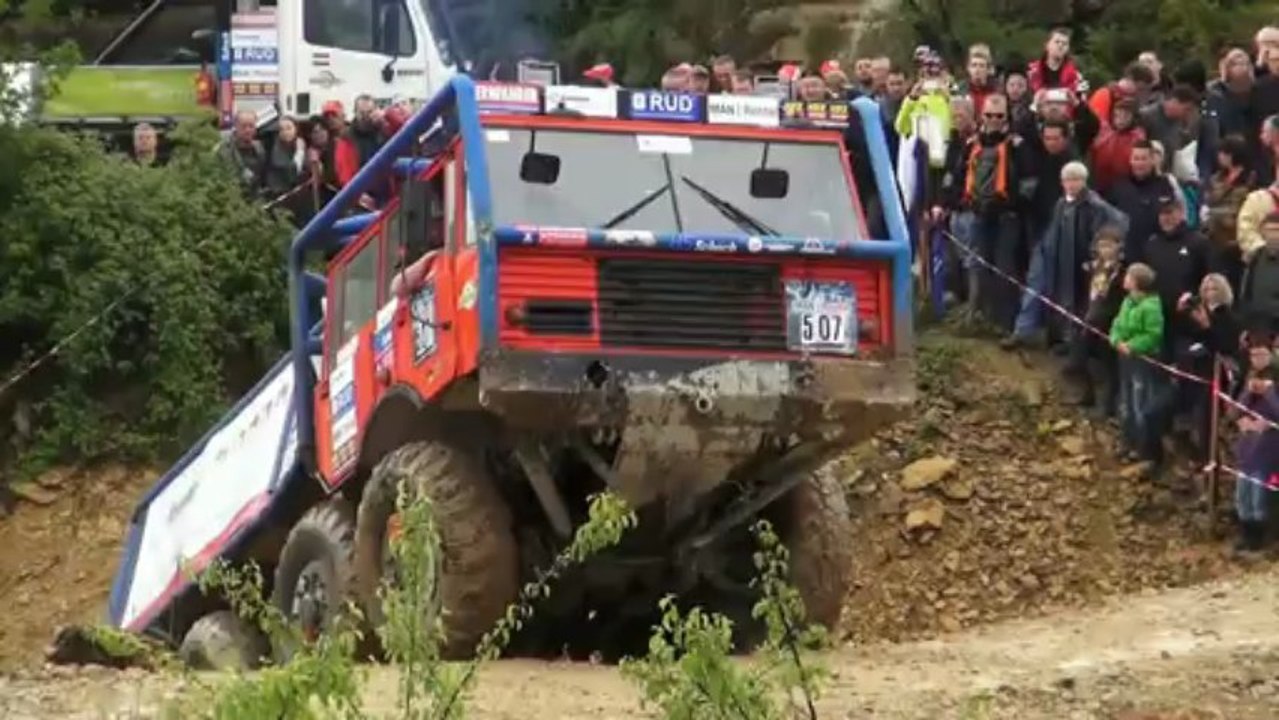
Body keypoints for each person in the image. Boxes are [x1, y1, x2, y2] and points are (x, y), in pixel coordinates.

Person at [1005, 161, 1127, 351]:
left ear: (1084, 181)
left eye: (1075, 180)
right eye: (1067, 180)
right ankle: (1054, 337)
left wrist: (1095, 255)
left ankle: (1073, 345)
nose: (1071, 184)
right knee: (1056, 297)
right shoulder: (1061, 203)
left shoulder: (1094, 204)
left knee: (1078, 302)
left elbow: (1114, 225)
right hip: (1057, 257)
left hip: (1081, 262)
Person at [960, 93, 1030, 331]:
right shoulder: (972, 144)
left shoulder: (1017, 145)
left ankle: (1005, 321)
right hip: (979, 212)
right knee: (979, 265)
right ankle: (979, 315)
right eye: (989, 115)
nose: (994, 120)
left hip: (1007, 215)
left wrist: (1012, 205)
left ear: (1007, 117)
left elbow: (1029, 182)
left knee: (1005, 268)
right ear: (982, 115)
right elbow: (960, 173)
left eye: (999, 115)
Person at [1111, 262, 1165, 465]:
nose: (1124, 279)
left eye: (1128, 276)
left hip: (1143, 361)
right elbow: (1117, 323)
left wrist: (1133, 346)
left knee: (1139, 402)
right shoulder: (1127, 301)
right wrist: (1116, 340)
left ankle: (1142, 447)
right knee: (1125, 401)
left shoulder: (1151, 306)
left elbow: (1153, 335)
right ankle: (1127, 441)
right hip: (1125, 358)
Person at [1074, 226, 1127, 416]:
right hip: (1090, 316)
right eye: (1101, 245)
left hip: (1109, 321)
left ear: (1118, 247)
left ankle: (1109, 405)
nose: (1105, 250)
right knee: (1080, 357)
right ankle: (1087, 394)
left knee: (1109, 364)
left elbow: (1121, 298)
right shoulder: (1093, 267)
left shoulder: (1122, 271)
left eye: (1109, 245)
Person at [1231, 350, 1279, 553]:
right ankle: (1245, 532)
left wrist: (1269, 392)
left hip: (1268, 447)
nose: (1257, 360)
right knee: (1242, 493)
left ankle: (1259, 537)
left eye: (1262, 355)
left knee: (1258, 494)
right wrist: (1247, 395)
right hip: (1247, 447)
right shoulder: (1249, 378)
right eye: (1253, 356)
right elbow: (1234, 410)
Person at [1106, 140, 1180, 264]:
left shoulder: (1165, 185)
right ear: (1130, 160)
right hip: (1125, 257)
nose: (1139, 163)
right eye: (1136, 158)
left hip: (1156, 256)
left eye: (1144, 159)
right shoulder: (1119, 186)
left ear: (1152, 160)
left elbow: (1174, 218)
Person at [1201, 135, 1253, 288]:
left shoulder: (1250, 179)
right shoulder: (1216, 177)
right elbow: (1208, 198)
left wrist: (1213, 213)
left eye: (1223, 153)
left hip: (1234, 240)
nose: (1219, 157)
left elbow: (1240, 209)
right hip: (1214, 237)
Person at [1090, 97, 1146, 195]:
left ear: (1134, 118)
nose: (1120, 120)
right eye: (1117, 116)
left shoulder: (1138, 138)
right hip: (1101, 186)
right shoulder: (1106, 133)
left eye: (1126, 116)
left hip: (1125, 190)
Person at [1238, 212, 1279, 336]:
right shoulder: (1256, 257)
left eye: (1277, 230)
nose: (1274, 235)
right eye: (1269, 230)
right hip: (1259, 327)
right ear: (1262, 233)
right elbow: (1246, 294)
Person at [218, 109, 265, 194]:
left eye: (251, 126)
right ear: (236, 126)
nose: (248, 130)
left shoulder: (259, 147)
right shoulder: (225, 149)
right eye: (243, 126)